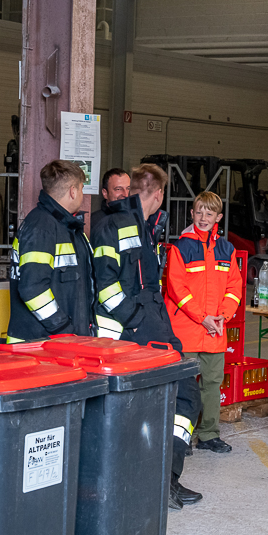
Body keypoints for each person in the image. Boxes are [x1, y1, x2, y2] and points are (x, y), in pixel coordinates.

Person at [92, 163, 202, 510]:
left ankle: (161, 479)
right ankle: (163, 480)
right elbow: (106, 287)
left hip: (146, 327)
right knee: (184, 396)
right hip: (133, 333)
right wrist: (139, 321)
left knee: (167, 400)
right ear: (158, 194)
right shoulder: (119, 225)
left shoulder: (138, 224)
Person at [164, 191, 244, 457]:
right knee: (183, 387)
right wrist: (203, 318)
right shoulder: (181, 247)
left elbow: (234, 287)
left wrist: (224, 315)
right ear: (192, 213)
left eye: (209, 213)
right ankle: (180, 438)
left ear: (218, 217)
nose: (203, 217)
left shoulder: (226, 249)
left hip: (215, 328)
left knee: (211, 384)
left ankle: (209, 435)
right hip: (187, 330)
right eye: (199, 212)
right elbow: (177, 289)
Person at [7, 160, 94, 342]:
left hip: (58, 342)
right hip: (40, 345)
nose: (82, 195)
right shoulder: (42, 227)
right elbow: (32, 289)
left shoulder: (66, 227)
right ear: (73, 191)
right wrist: (63, 329)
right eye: (81, 189)